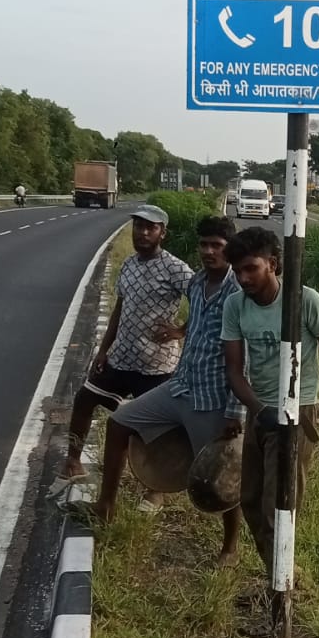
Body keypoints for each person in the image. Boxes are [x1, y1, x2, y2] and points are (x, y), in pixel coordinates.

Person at [91, 216, 244, 561]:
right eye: (204, 244)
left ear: (230, 249)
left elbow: (244, 358)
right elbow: (197, 320)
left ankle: (230, 547)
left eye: (216, 246)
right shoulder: (198, 281)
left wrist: (235, 411)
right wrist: (180, 331)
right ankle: (105, 506)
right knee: (119, 423)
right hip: (179, 385)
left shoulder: (238, 291)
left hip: (211, 398)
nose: (208, 251)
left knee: (222, 472)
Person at [220, 225, 319, 579]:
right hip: (260, 412)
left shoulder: (304, 300)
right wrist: (259, 411)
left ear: (273, 264)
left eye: (251, 268)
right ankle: (281, 571)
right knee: (249, 499)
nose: (243, 278)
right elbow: (234, 371)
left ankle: (280, 587)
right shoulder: (235, 305)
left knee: (278, 505)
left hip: (296, 411)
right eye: (237, 271)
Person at [63, 205, 192, 480]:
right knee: (85, 399)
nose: (143, 233)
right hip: (121, 358)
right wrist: (103, 350)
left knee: (161, 429)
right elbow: (119, 310)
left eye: (150, 228)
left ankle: (156, 489)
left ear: (162, 233)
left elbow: (206, 301)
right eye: (138, 226)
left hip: (157, 365)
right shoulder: (129, 265)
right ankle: (73, 462)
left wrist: (181, 331)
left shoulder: (176, 268)